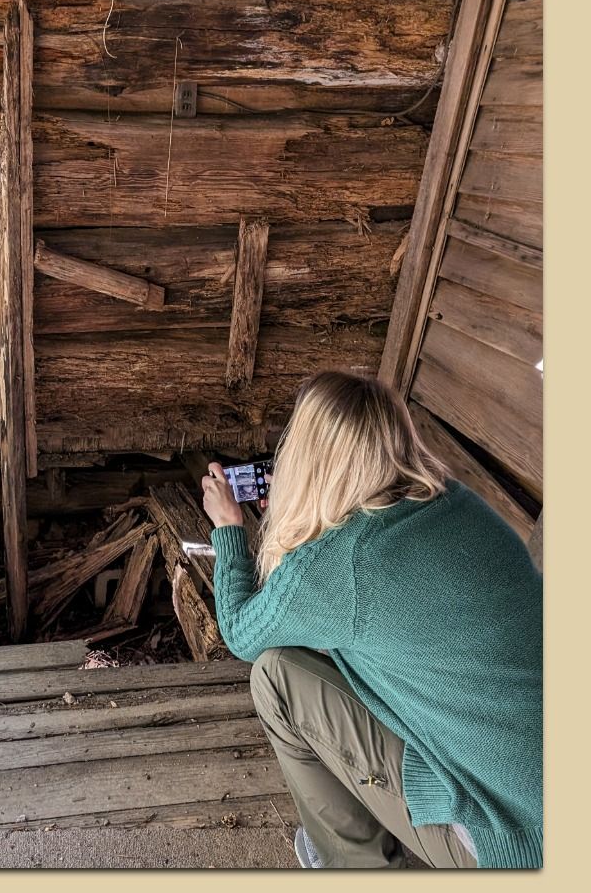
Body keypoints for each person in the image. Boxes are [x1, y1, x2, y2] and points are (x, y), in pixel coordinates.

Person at [201, 371, 542, 869]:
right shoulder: (454, 500)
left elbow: (240, 632)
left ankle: (361, 864)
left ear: (307, 458)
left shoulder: (339, 564)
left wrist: (230, 530)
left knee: (274, 676)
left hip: (513, 837)